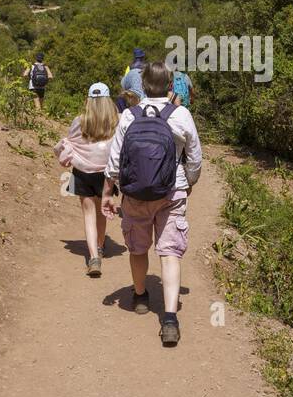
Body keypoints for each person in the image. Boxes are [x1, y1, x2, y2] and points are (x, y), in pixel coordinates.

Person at [102, 61, 202, 347]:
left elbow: (115, 160)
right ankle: (169, 318)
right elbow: (194, 156)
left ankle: (141, 296)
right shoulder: (181, 114)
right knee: (170, 252)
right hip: (173, 191)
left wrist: (109, 191)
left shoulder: (129, 116)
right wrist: (189, 181)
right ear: (170, 85)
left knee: (137, 247)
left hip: (135, 195)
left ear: (142, 85)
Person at [54, 83, 117, 277]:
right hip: (106, 175)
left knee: (89, 214)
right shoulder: (116, 122)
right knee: (102, 212)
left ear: (88, 100)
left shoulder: (79, 121)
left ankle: (93, 258)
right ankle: (99, 246)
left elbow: (70, 141)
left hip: (82, 173)